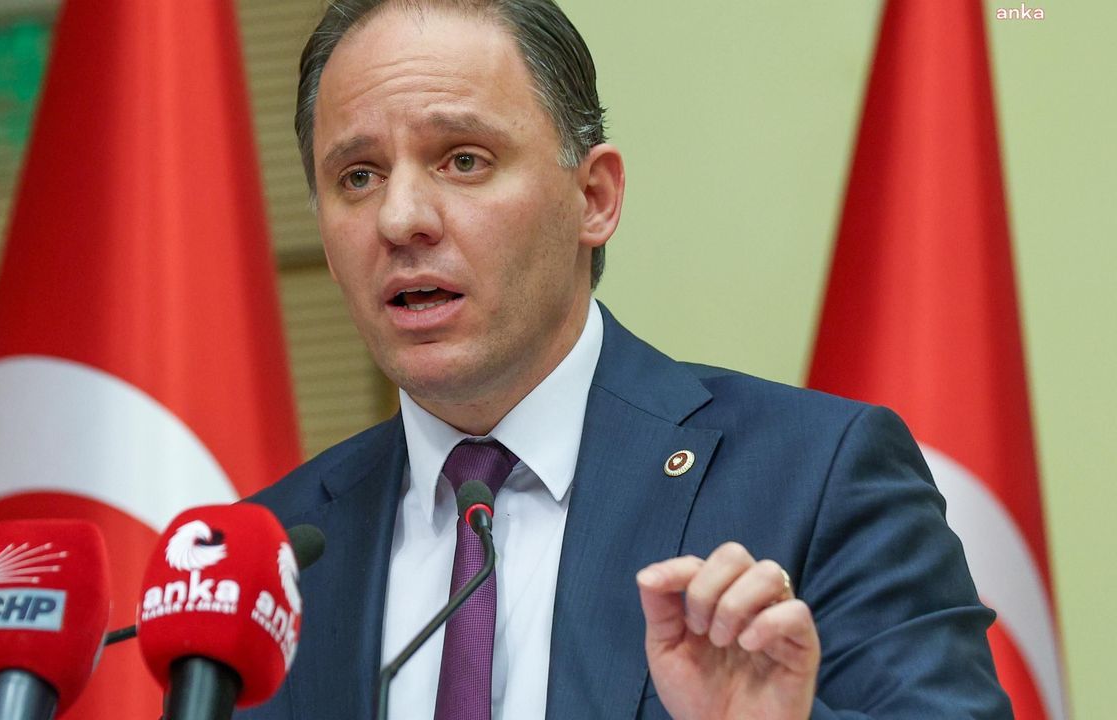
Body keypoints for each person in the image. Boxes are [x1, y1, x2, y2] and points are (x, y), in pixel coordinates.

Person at [239, 1, 1011, 718]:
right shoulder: (268, 554)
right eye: (358, 177)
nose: (400, 218)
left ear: (596, 198)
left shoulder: (817, 477)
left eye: (463, 159)